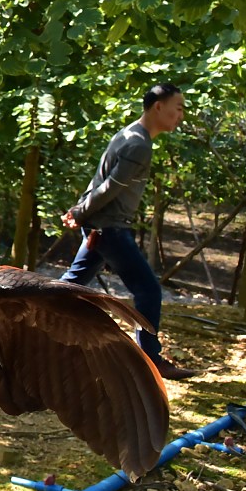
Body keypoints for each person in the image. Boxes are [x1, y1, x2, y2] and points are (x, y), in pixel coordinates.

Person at [59, 83, 196, 380]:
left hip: (100, 227)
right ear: (158, 106)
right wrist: (80, 212)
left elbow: (101, 183)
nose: (181, 115)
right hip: (109, 229)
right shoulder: (138, 144)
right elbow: (109, 188)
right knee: (148, 290)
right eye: (179, 108)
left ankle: (25, 325)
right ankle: (149, 359)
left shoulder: (129, 134)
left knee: (67, 288)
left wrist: (80, 211)